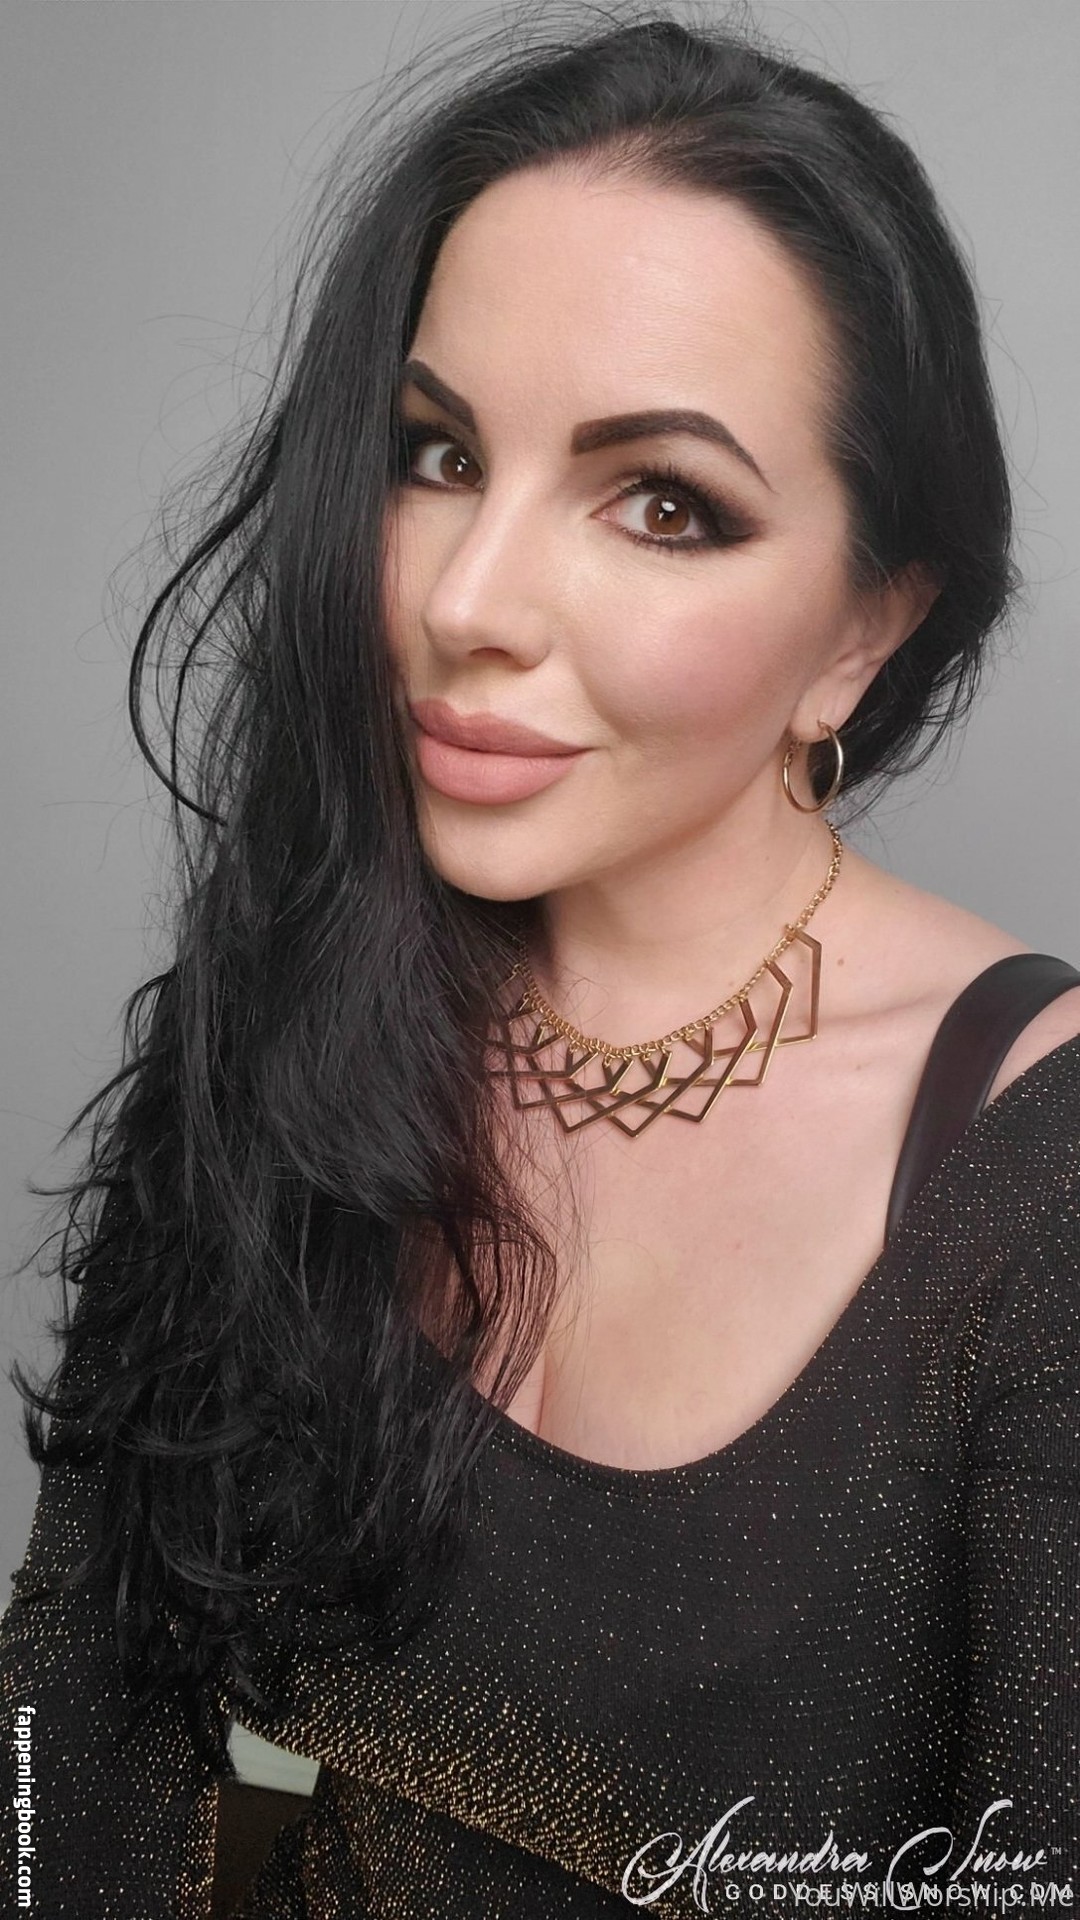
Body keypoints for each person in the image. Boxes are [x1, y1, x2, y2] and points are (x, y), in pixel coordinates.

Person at [3, 7, 1079, 1916]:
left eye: (662, 502)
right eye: (435, 454)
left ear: (865, 631)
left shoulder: (1042, 1183)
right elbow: (63, 1745)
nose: (465, 601)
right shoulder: (296, 1010)